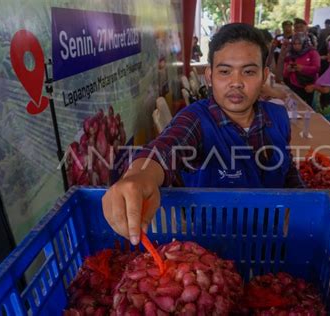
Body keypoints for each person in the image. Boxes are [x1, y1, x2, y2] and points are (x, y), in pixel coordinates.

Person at [102, 23, 303, 244]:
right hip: (212, 248)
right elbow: (166, 149)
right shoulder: (196, 120)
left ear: (264, 76)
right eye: (225, 71)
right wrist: (139, 176)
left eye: (249, 71)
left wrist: (303, 210)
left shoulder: (278, 117)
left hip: (272, 241)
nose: (236, 83)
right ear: (209, 75)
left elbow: (288, 173)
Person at [283, 32, 321, 105]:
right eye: (294, 44)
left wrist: (302, 68)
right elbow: (285, 75)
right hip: (294, 87)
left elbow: (317, 69)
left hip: (309, 87)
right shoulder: (291, 54)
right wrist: (288, 70)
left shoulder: (312, 52)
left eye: (299, 43)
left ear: (304, 43)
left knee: (308, 109)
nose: (296, 46)